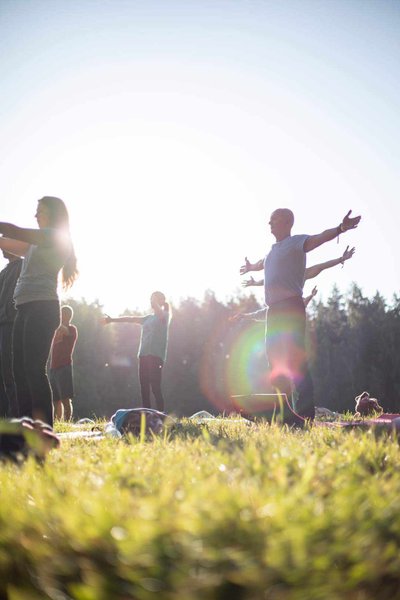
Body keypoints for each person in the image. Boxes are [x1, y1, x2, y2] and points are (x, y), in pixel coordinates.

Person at [239, 208, 361, 420]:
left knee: (295, 362)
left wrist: (340, 228)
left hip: (290, 308)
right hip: (273, 310)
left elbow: (319, 238)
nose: (269, 224)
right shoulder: (271, 251)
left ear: (286, 223)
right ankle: (283, 414)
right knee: (275, 363)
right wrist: (251, 267)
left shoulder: (296, 243)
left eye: (273, 220)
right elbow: (262, 264)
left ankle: (305, 416)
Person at [0, 197, 78, 427]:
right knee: (18, 373)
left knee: (34, 371)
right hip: (23, 309)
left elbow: (15, 231)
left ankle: (45, 429)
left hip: (42, 309)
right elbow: (6, 242)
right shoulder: (35, 243)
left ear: (53, 214)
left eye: (40, 211)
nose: (36, 215)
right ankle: (25, 428)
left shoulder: (54, 237)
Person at [101, 291, 171, 412]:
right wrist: (112, 320)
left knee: (155, 388)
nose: (151, 301)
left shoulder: (165, 315)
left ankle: (161, 414)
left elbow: (160, 315)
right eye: (150, 299)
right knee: (144, 387)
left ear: (160, 301)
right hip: (143, 356)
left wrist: (156, 302)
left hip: (156, 356)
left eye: (153, 299)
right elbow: (131, 319)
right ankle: (147, 414)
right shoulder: (148, 318)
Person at [0, 251, 22, 417]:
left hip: (12, 324)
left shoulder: (22, 266)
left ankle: (16, 415)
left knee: (11, 371)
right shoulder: (4, 272)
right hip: (2, 324)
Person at [49, 305, 78, 421]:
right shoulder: (56, 331)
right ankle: (57, 422)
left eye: (60, 314)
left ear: (67, 316)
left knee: (65, 398)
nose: (59, 316)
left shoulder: (71, 329)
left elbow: (64, 330)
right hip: (53, 368)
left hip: (64, 367)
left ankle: (67, 422)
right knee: (56, 400)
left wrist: (53, 318)